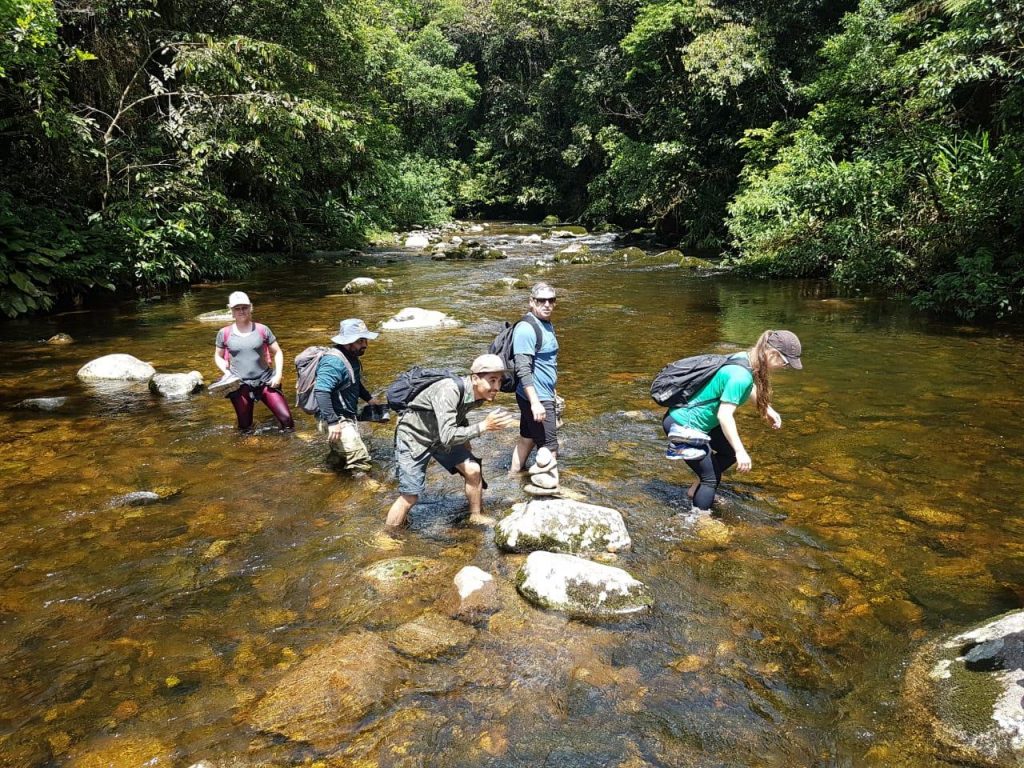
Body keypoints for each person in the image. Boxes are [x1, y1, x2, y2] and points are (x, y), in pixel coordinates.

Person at [663, 330, 803, 514]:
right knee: (711, 479)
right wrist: (742, 451)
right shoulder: (740, 376)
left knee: (728, 453)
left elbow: (749, 386)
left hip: (696, 421)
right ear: (772, 354)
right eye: (785, 363)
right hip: (683, 425)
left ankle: (694, 491)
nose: (784, 368)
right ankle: (698, 521)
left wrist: (766, 408)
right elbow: (724, 415)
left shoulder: (745, 359)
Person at [385, 354, 517, 529]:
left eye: (500, 381)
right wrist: (483, 426)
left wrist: (466, 443)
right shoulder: (449, 390)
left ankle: (476, 516)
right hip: (414, 437)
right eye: (492, 380)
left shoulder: (479, 395)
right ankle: (388, 535)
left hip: (440, 436)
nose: (497, 387)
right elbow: (448, 436)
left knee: (473, 469)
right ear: (475, 378)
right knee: (410, 496)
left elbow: (459, 415)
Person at [213, 291, 294, 431]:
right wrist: (226, 373)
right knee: (245, 427)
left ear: (251, 307)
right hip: (240, 384)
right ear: (231, 310)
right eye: (237, 308)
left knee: (287, 420)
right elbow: (218, 356)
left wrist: (278, 375)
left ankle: (287, 448)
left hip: (265, 380)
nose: (241, 311)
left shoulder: (262, 329)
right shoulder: (224, 333)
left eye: (244, 307)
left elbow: (278, 352)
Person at [314, 318, 382, 473]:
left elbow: (354, 382)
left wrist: (369, 399)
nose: (364, 344)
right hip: (334, 418)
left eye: (365, 339)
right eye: (359, 341)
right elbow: (321, 391)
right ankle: (365, 490)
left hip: (345, 416)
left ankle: (327, 471)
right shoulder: (333, 363)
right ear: (347, 342)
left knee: (340, 456)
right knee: (360, 459)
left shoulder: (351, 358)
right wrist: (332, 422)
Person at [509, 282, 560, 473]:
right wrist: (535, 403)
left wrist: (553, 390)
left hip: (542, 394)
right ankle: (548, 495)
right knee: (550, 448)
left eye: (551, 300)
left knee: (527, 438)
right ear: (532, 302)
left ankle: (513, 478)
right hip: (536, 397)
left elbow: (546, 362)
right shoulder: (526, 328)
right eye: (541, 300)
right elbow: (523, 368)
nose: (546, 304)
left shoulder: (546, 324)